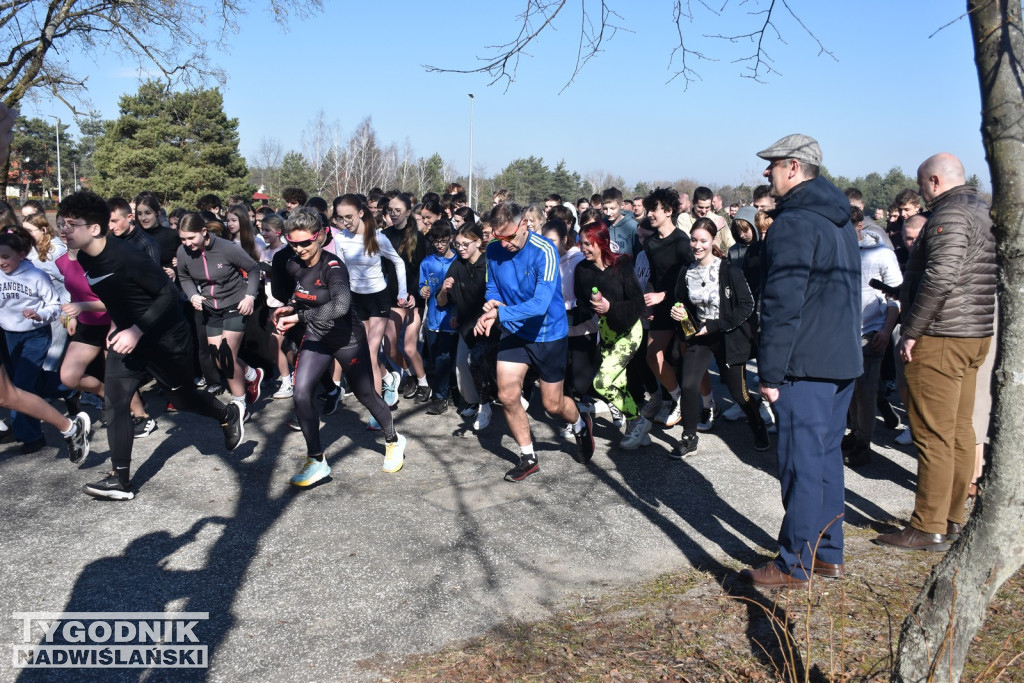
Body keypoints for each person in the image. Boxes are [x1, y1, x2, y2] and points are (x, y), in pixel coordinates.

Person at [58, 191, 245, 500]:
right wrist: (118, 325)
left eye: (71, 224)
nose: (64, 230)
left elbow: (167, 296)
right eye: (61, 224)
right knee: (115, 401)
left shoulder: (126, 256)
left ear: (94, 228)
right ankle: (120, 480)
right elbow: (121, 297)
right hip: (128, 340)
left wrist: (135, 329)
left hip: (165, 337)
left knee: (183, 399)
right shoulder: (86, 257)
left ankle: (226, 415)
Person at [739, 134, 862, 588]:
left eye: (771, 165)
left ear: (793, 167)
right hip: (840, 357)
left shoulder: (795, 223)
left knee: (801, 465)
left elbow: (783, 303)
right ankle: (828, 554)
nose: (765, 173)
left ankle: (794, 562)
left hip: (805, 363)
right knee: (826, 460)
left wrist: (770, 372)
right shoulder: (839, 219)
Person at [874, 153, 996, 552]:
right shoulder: (982, 211)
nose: (922, 192)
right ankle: (953, 518)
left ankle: (928, 526)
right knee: (960, 431)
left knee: (932, 435)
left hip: (942, 336)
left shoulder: (952, 216)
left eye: (923, 184)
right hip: (972, 333)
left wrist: (911, 329)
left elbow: (940, 276)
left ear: (936, 181)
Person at [273, 207, 407, 484]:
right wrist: (287, 309)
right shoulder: (293, 264)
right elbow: (302, 296)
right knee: (300, 394)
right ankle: (317, 460)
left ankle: (394, 441)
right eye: (293, 244)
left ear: (321, 236)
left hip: (347, 340)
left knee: (366, 395)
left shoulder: (333, 266)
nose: (299, 249)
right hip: (316, 338)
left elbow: (340, 305)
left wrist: (298, 316)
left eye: (305, 243)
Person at [474, 202, 594, 481]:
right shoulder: (493, 249)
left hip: (548, 334)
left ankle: (578, 422)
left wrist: (500, 313)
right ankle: (528, 456)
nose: (503, 245)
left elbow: (540, 304)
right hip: (515, 332)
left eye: (509, 237)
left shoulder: (545, 250)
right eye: (497, 237)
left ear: (525, 224)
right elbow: (492, 285)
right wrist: (492, 303)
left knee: (552, 405)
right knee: (506, 396)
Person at [670, 218, 770, 457]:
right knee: (688, 385)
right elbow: (680, 301)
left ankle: (758, 426)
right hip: (699, 337)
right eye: (694, 240)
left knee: (739, 393)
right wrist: (678, 312)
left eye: (703, 240)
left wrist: (716, 325)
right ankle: (689, 437)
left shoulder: (728, 270)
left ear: (713, 241)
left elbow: (747, 305)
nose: (697, 245)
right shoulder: (687, 271)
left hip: (727, 336)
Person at [176, 213, 263, 414]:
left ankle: (240, 404)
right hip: (211, 307)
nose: (187, 243)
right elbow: (184, 275)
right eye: (183, 239)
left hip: (235, 303)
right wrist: (192, 295)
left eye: (191, 238)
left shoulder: (227, 248)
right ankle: (251, 373)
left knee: (226, 356)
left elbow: (253, 269)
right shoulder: (183, 252)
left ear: (203, 232)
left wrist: (250, 296)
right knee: (218, 358)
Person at [572, 221, 647, 449]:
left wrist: (610, 308)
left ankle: (637, 420)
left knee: (603, 383)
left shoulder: (621, 266)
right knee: (618, 384)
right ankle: (640, 433)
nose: (583, 248)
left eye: (588, 243)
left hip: (629, 331)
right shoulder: (582, 270)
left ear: (601, 243)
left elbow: (638, 303)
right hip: (606, 333)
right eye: (581, 243)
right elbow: (583, 306)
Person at [332, 194, 410, 408]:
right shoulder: (340, 238)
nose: (345, 222)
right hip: (357, 300)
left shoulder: (377, 237)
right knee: (364, 353)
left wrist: (402, 292)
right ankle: (388, 378)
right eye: (340, 218)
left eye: (349, 216)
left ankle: (378, 411)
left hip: (379, 299)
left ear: (360, 213)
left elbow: (398, 263)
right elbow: (340, 270)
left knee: (370, 352)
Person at [842, 206, 902, 467]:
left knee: (866, 391)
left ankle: (863, 444)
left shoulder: (882, 254)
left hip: (871, 333)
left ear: (859, 227)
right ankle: (855, 433)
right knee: (851, 390)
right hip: (843, 334)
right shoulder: (838, 252)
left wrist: (887, 330)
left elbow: (895, 297)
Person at [640, 187, 693, 427]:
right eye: (649, 209)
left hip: (683, 305)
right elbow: (653, 274)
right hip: (660, 305)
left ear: (669, 211)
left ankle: (707, 404)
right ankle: (677, 397)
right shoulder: (650, 243)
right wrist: (649, 298)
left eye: (654, 209)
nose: (650, 214)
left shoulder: (683, 241)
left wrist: (665, 295)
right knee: (653, 356)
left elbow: (690, 278)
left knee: (684, 358)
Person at [443, 222, 498, 430]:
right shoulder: (457, 265)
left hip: (490, 325)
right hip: (467, 327)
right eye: (457, 244)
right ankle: (479, 403)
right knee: (463, 366)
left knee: (486, 366)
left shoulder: (489, 263)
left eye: (466, 244)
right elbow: (445, 299)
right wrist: (446, 296)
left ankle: (492, 401)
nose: (461, 248)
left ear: (478, 242)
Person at [419, 219, 458, 414]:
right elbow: (422, 284)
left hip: (452, 319)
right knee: (437, 358)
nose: (440, 245)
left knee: (446, 357)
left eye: (443, 241)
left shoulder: (459, 261)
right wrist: (424, 289)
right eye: (436, 242)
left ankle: (441, 396)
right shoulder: (427, 262)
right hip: (433, 319)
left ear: (451, 238)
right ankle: (446, 391)